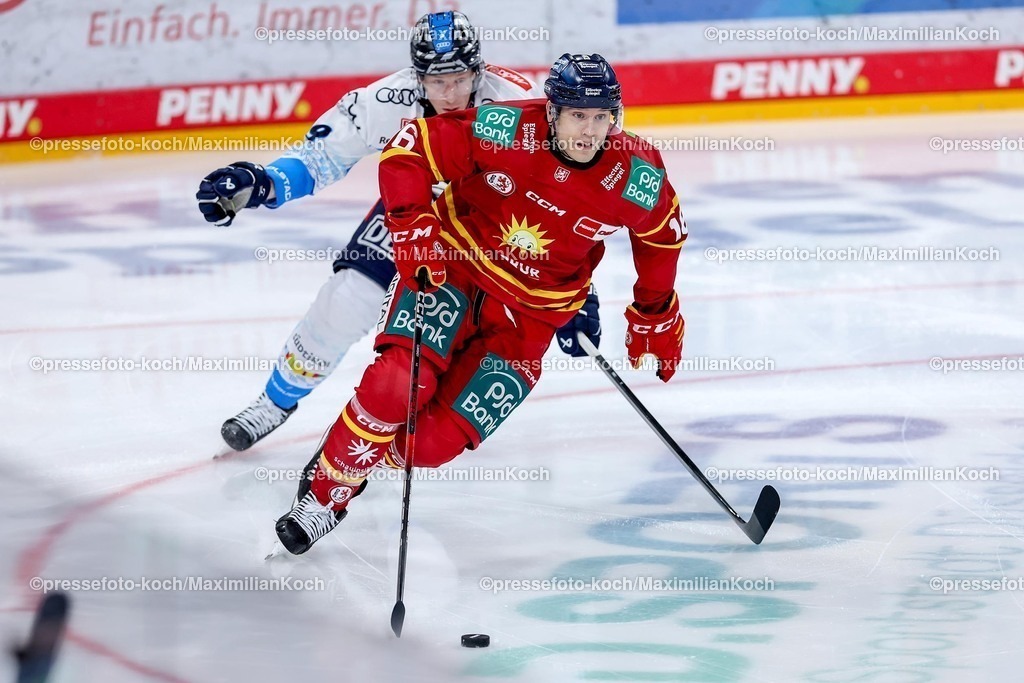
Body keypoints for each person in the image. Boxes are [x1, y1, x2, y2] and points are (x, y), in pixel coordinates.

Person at [274, 52, 687, 555]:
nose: (589, 130)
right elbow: (411, 148)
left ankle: (359, 455)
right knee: (399, 381)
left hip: (531, 317)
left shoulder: (635, 173)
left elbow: (662, 237)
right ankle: (326, 492)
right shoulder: (505, 126)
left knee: (429, 446)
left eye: (601, 117)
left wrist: (655, 312)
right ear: (552, 112)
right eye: (578, 115)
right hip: (454, 266)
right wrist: (411, 225)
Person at [195, 10, 602, 451]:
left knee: (461, 333)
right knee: (346, 300)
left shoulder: (516, 101)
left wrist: (575, 292)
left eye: (460, 79)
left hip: (491, 226)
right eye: (436, 82)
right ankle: (275, 402)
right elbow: (320, 160)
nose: (449, 94)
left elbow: (564, 199)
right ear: (417, 77)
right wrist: (261, 183)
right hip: (413, 215)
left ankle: (407, 436)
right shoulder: (384, 101)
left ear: (478, 70)